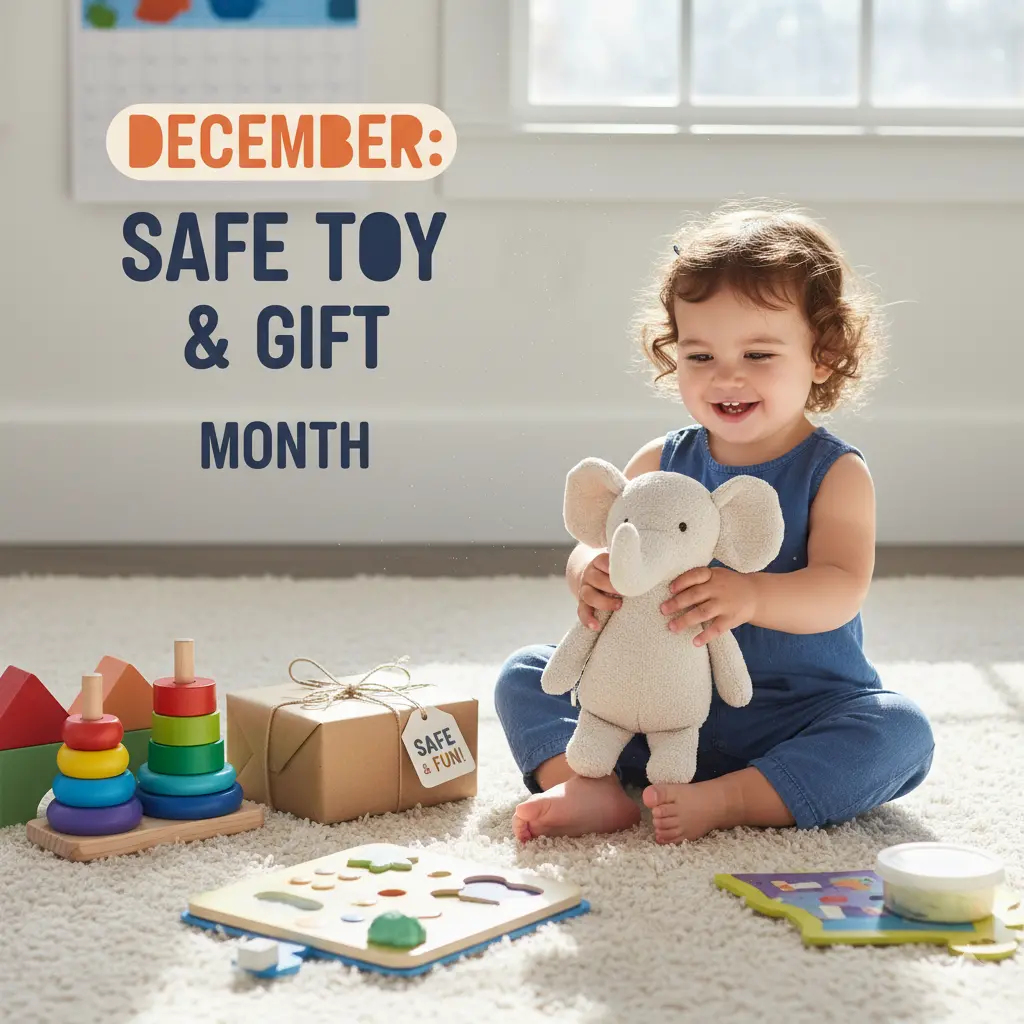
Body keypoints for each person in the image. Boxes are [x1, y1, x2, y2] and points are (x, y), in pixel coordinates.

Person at [494, 204, 934, 844]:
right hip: (651, 709)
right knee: (526, 673)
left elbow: (841, 587)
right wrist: (589, 572)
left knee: (899, 731)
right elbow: (597, 539)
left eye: (759, 353)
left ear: (824, 355)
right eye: (700, 355)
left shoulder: (833, 472)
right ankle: (591, 787)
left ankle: (730, 798)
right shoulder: (661, 462)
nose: (726, 375)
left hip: (792, 715)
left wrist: (753, 595)